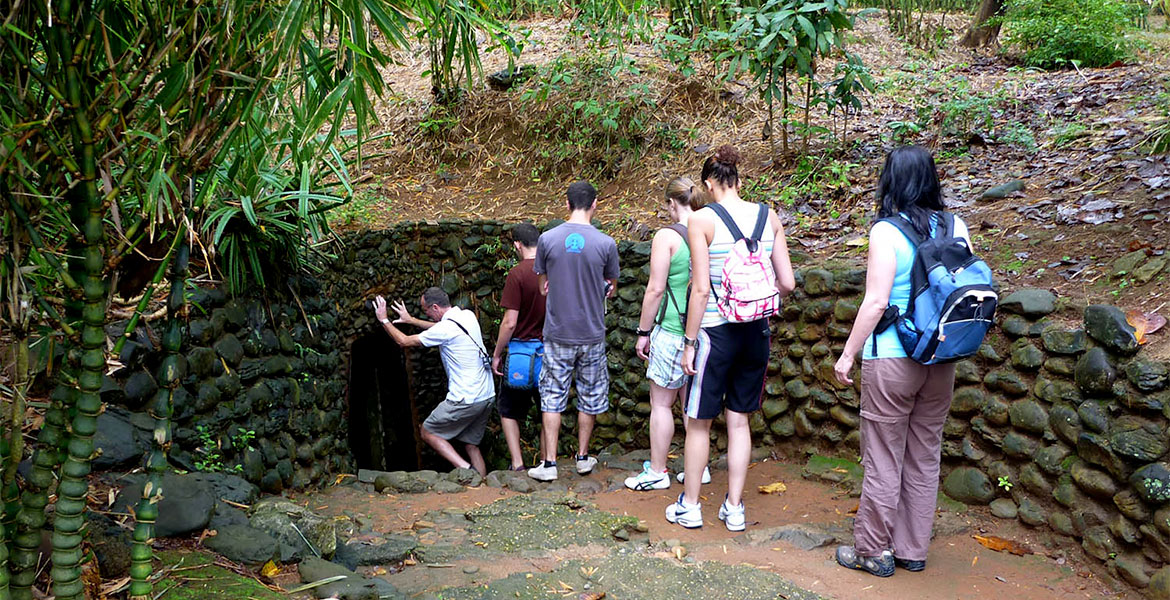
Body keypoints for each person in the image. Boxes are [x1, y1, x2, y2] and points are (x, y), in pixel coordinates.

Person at [831, 146, 970, 577]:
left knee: (884, 456)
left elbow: (875, 303)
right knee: (925, 454)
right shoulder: (957, 225)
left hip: (892, 358)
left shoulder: (886, 232)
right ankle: (912, 548)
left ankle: (873, 549)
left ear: (891, 181)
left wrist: (847, 354)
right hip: (940, 356)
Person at [670, 145, 795, 531]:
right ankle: (735, 507)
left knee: (698, 422)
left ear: (708, 183)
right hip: (756, 332)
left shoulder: (702, 220)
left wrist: (689, 342)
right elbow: (787, 283)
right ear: (739, 180)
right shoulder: (768, 215)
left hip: (714, 333)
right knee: (739, 421)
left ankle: (691, 506)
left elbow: (701, 290)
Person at [527, 181, 620, 482]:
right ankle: (582, 458)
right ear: (595, 205)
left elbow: (542, 286)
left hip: (557, 332)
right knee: (589, 396)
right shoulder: (606, 244)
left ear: (566, 205)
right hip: (591, 332)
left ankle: (550, 463)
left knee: (552, 396)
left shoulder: (547, 239)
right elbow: (611, 289)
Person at [624, 177, 711, 491]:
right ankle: (697, 468)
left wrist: (643, 331)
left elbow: (655, 288)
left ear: (673, 204)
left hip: (673, 329)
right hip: (705, 331)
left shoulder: (668, 236)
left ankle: (658, 470)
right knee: (694, 404)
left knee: (662, 403)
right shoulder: (711, 228)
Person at [372, 287, 494, 477]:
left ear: (435, 307)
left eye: (426, 310)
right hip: (486, 395)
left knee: (428, 432)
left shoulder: (445, 329)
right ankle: (485, 485)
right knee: (471, 444)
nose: (426, 314)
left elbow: (403, 341)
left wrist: (384, 320)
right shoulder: (467, 316)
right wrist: (411, 320)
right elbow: (440, 330)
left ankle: (466, 470)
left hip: (466, 398)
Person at [490, 223, 547, 471]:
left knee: (509, 410)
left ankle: (518, 464)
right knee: (548, 409)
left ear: (517, 245)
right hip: (548, 352)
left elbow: (510, 322)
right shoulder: (551, 272)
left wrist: (496, 353)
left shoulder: (517, 274)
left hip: (521, 354)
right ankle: (547, 461)